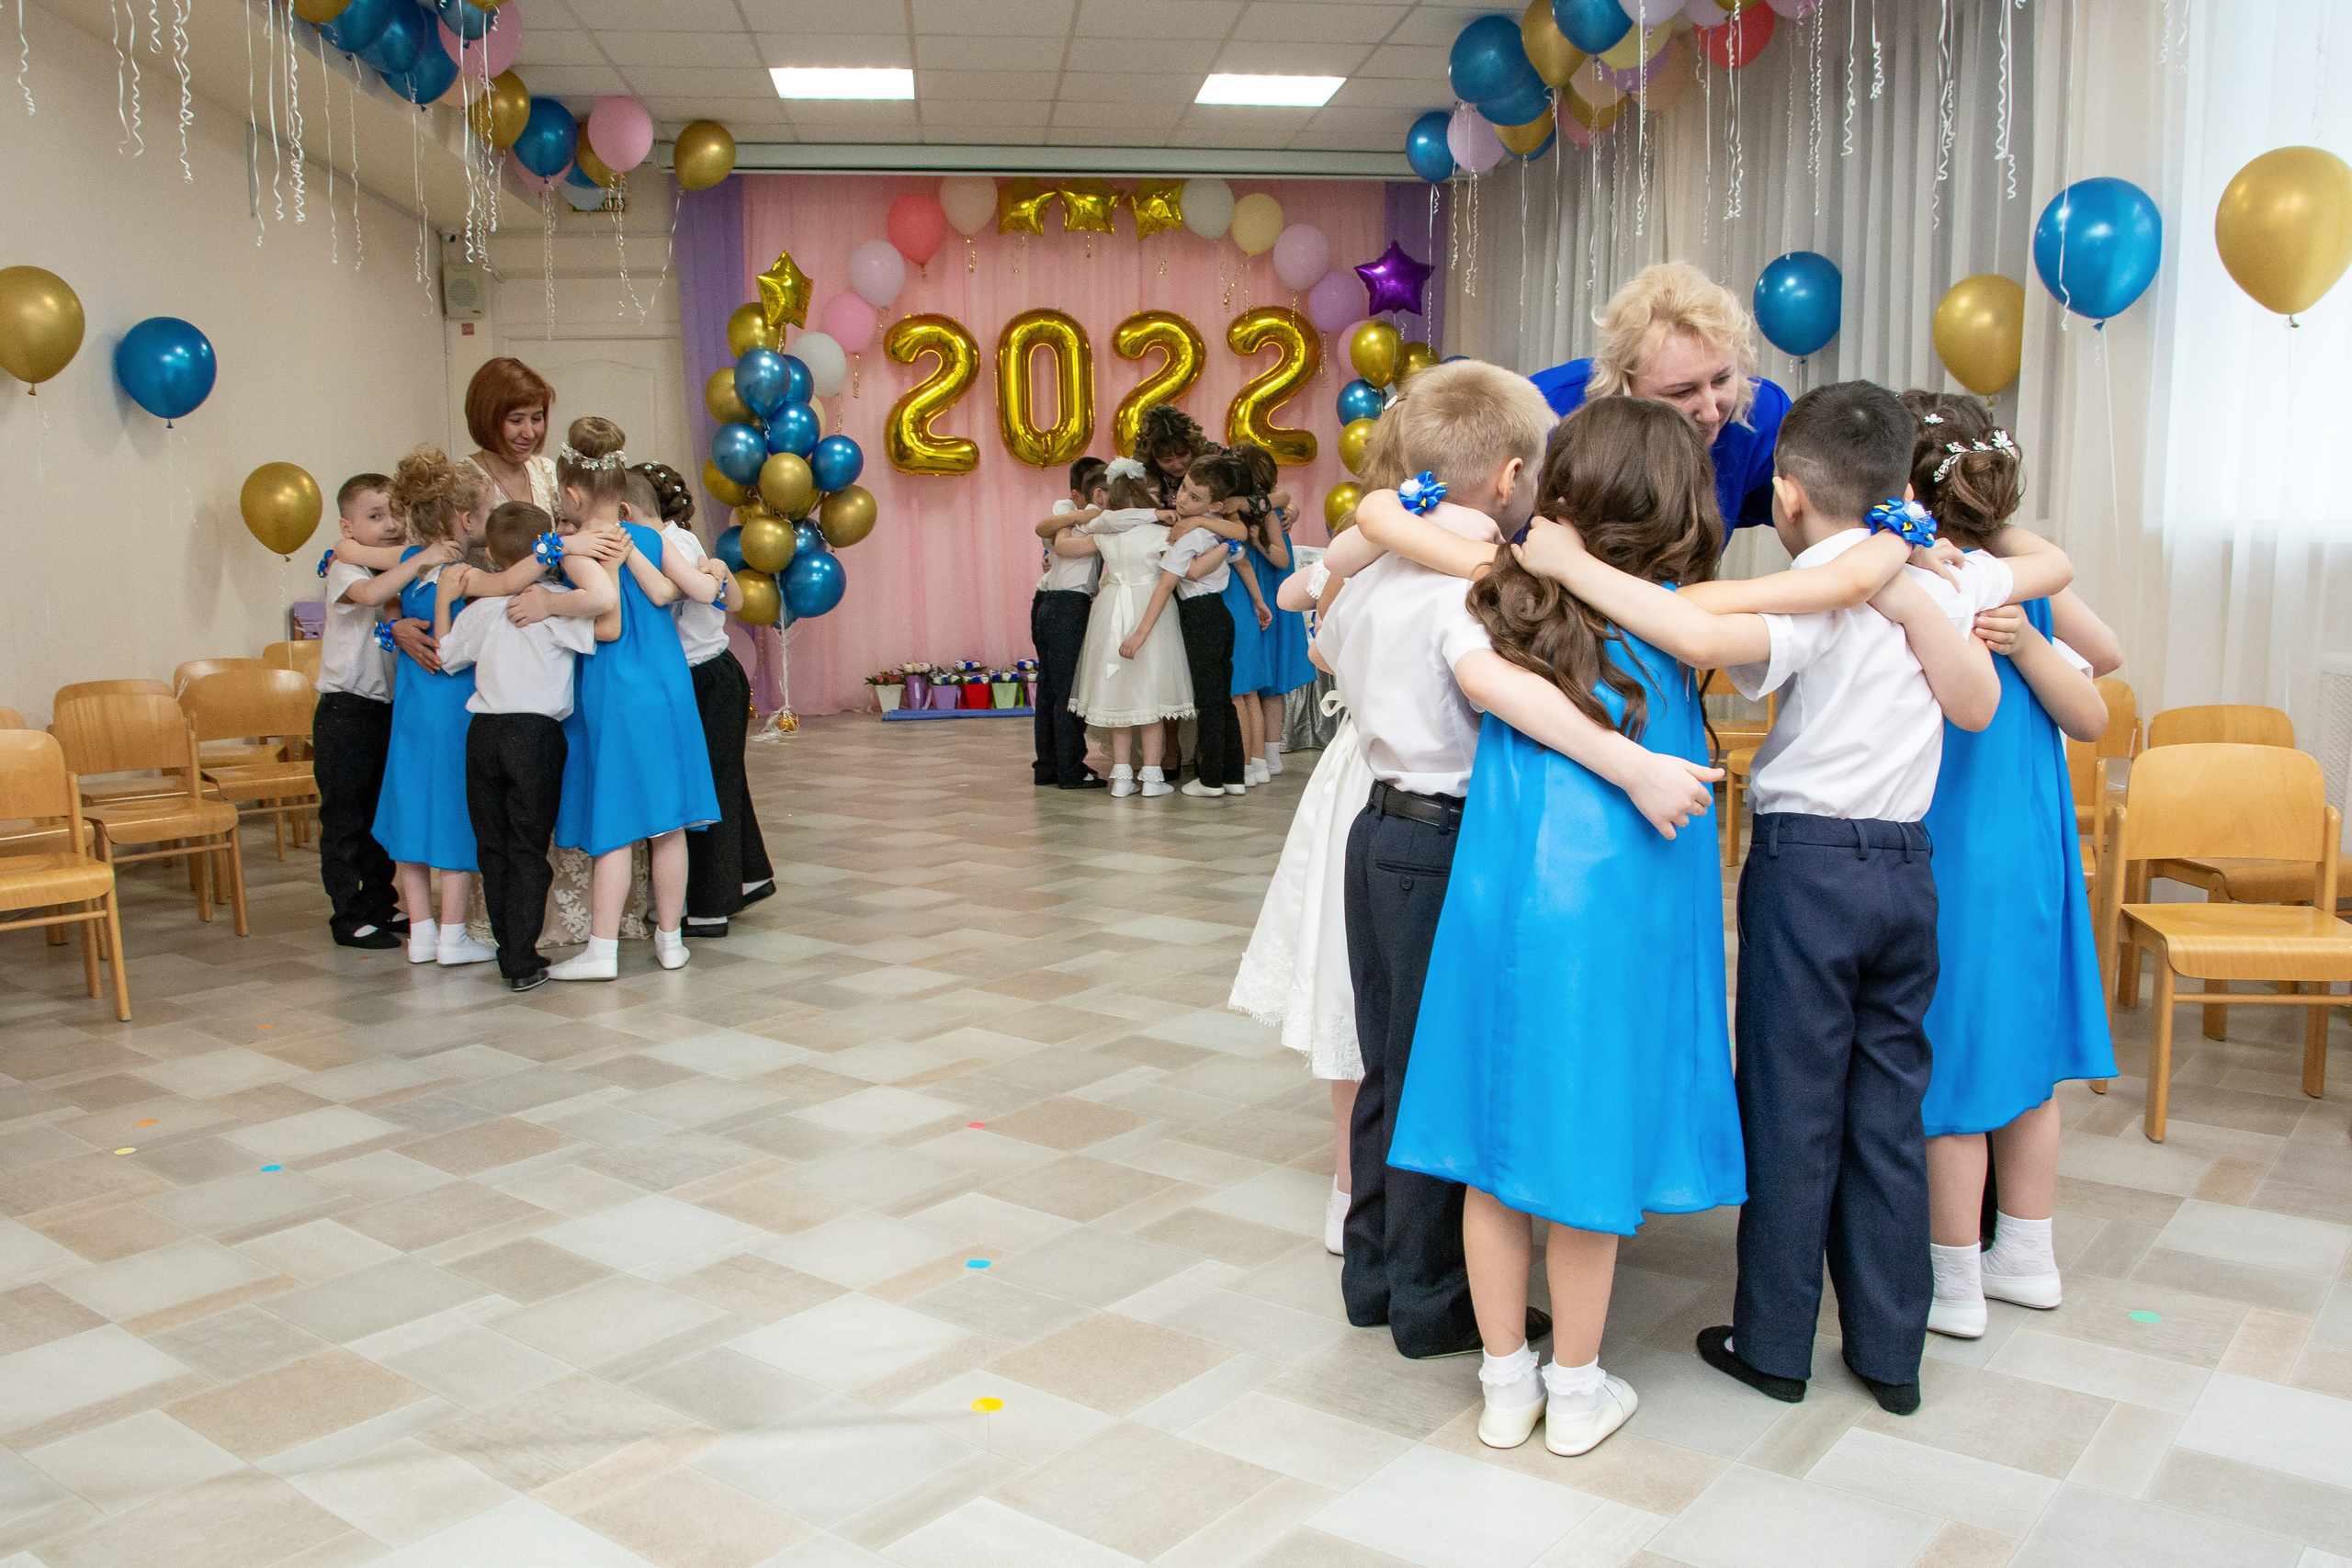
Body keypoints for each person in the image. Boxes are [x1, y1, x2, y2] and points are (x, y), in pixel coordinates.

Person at [1515, 380, 2056, 1418]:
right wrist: (1897, 586)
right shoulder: (1930, 583)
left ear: (1790, 496)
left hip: (1810, 870)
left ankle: (1773, 1341)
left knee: (1790, 1105)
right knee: (1886, 1109)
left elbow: (1702, 635)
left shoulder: (1819, 585)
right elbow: (1979, 707)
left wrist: (1574, 565)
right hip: (1907, 870)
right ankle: (1892, 1349)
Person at [1317, 360, 1713, 1363]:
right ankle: (1427, 1296)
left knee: (1388, 1066)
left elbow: (1323, 625)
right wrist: (1630, 764)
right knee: (1435, 1072)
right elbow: (1496, 689)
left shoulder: (1374, 572)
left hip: (1373, 827)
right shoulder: (1473, 587)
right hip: (1447, 832)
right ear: (1504, 477)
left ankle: (1373, 1271)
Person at [1900, 394, 2120, 1340]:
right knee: (2022, 1060)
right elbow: (2102, 672)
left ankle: (1954, 1282)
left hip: (1962, 847)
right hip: (2033, 849)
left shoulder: (1921, 577)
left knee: (1955, 1064)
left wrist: (2021, 635)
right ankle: (2027, 1251)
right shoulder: (2020, 575)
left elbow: (2092, 704)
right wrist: (2030, 625)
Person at [1233, 416, 1410, 1256]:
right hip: (1373, 782)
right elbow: (1310, 604)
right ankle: (1353, 1183)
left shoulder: (1370, 562)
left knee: (1368, 989)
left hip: (1368, 781)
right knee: (1353, 989)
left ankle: (1364, 1185)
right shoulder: (1371, 561)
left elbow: (1312, 608)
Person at [510, 417, 723, 980]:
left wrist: (549, 606)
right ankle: (671, 940)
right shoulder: (650, 538)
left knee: (618, 823)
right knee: (669, 824)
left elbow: (605, 627)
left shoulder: (581, 552)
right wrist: (715, 566)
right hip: (669, 685)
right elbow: (699, 591)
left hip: (618, 689)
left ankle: (602, 951)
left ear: (572, 496)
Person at [434, 502, 618, 990]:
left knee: (492, 849)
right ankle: (522, 958)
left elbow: (446, 656)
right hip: (534, 736)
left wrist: (442, 600)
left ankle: (508, 953)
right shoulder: (551, 601)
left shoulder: (481, 609)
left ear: (492, 553)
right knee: (528, 850)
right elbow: (604, 626)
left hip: (483, 736)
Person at [351, 448, 502, 969]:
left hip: (411, 712)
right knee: (455, 816)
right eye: (484, 512)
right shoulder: (460, 574)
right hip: (454, 711)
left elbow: (353, 563)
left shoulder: (411, 568)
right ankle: (454, 934)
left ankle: (420, 930)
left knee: (412, 814)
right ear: (464, 519)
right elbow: (503, 591)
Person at [1530, 262, 1789, 539]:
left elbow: (1830, 531)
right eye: (1681, 392)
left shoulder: (1762, 416)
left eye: (1722, 379)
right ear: (1624, 384)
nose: (1712, 413)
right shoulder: (1542, 414)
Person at [628, 463, 774, 938]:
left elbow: (683, 600)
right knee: (722, 782)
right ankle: (745, 879)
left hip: (702, 677)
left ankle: (708, 904)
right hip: (716, 672)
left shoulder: (666, 547)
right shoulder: (681, 540)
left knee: (704, 790)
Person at [313, 473, 442, 949]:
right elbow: (369, 595)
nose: (390, 525)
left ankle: (379, 904)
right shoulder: (346, 570)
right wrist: (422, 556)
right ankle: (346, 915)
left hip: (384, 710)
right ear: (347, 529)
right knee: (345, 817)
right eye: (375, 516)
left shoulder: (390, 571)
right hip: (345, 711)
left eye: (397, 514)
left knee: (377, 816)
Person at [1121, 453, 1251, 799]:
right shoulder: (1210, 529)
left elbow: (1166, 586)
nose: (1182, 498)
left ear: (1216, 504)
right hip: (1221, 615)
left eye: (1195, 497)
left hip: (1199, 615)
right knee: (1223, 699)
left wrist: (1140, 633)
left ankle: (1210, 780)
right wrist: (1259, 601)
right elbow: (1242, 559)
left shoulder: (1189, 536)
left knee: (1209, 702)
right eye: (1184, 490)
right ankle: (1234, 775)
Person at [1065, 458, 1193, 797]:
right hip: (1149, 608)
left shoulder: (1104, 532)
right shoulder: (1161, 532)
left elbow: (1072, 542)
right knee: (1151, 692)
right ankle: (1151, 777)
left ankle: (1122, 778)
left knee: (1117, 694)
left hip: (1110, 609)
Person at [1229, 443, 1313, 780]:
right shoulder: (1247, 510)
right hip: (1253, 591)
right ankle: (1259, 753)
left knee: (1274, 677)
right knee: (1254, 672)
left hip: (1273, 589)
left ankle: (1270, 752)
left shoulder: (1269, 511)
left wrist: (1259, 541)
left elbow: (1282, 557)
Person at [1032, 457, 1110, 790]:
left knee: (1051, 689)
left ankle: (1048, 765)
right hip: (1066, 604)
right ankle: (1069, 768)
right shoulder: (1070, 510)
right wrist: (1103, 533)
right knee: (1067, 690)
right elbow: (1059, 541)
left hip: (1049, 603)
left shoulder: (1084, 512)